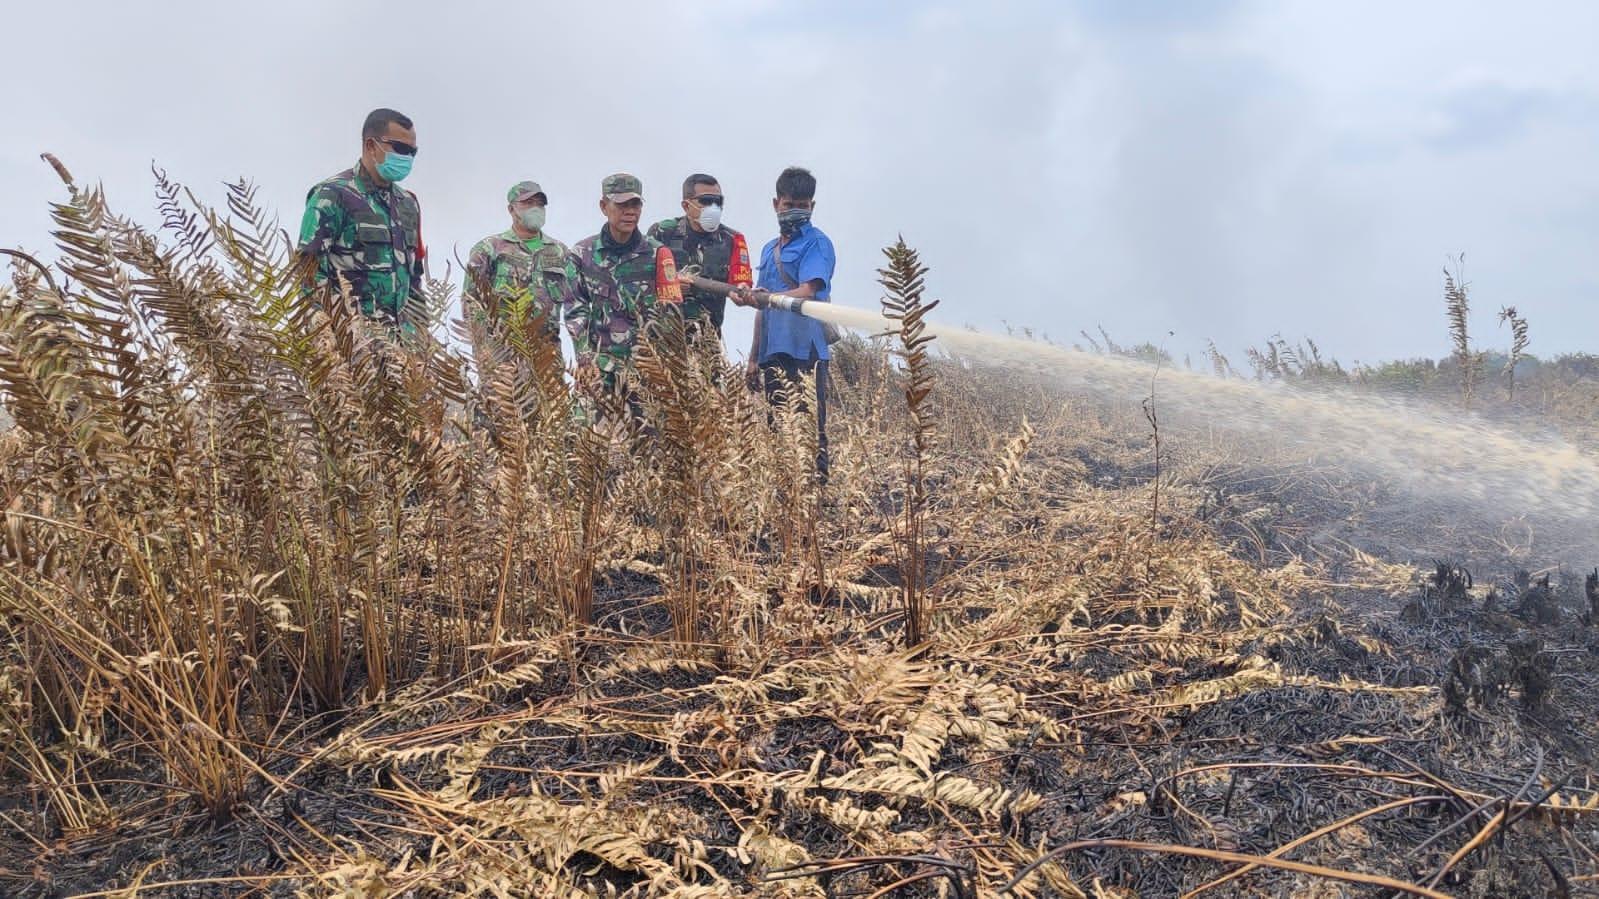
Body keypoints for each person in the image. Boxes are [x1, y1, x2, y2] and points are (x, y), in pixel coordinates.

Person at [736, 166, 836, 482]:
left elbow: (808, 289)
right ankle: (786, 495)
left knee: (809, 427)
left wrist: (768, 298)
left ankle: (817, 495)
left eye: (803, 206)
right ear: (776, 203)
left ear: (813, 207)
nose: (795, 211)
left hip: (806, 350)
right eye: (789, 204)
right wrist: (753, 358)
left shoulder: (817, 244)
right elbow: (762, 308)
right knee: (778, 424)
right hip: (772, 351)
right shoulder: (768, 250)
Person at [296, 107, 426, 333]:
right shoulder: (332, 196)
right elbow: (308, 276)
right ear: (370, 146)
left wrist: (422, 336)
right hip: (354, 345)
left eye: (412, 152)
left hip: (403, 351)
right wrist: (325, 340)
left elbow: (414, 279)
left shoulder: (408, 204)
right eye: (400, 148)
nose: (406, 158)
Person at [562, 173, 673, 393]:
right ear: (604, 206)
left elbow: (671, 314)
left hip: (648, 372)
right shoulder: (582, 255)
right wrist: (584, 360)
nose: (630, 211)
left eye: (636, 204)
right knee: (589, 427)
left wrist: (665, 369)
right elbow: (575, 311)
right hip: (599, 370)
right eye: (622, 204)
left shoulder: (659, 253)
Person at [463, 180, 574, 353]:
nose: (535, 209)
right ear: (511, 209)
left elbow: (575, 304)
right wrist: (484, 351)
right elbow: (471, 302)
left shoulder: (560, 252)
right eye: (528, 203)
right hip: (501, 356)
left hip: (547, 357)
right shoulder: (489, 249)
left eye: (540, 204)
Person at [645, 173, 751, 341]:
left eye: (718, 201)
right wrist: (669, 286)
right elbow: (641, 281)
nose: (713, 207)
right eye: (706, 201)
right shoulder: (663, 232)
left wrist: (745, 292)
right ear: (686, 206)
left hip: (707, 341)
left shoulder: (733, 239)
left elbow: (741, 284)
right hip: (663, 339)